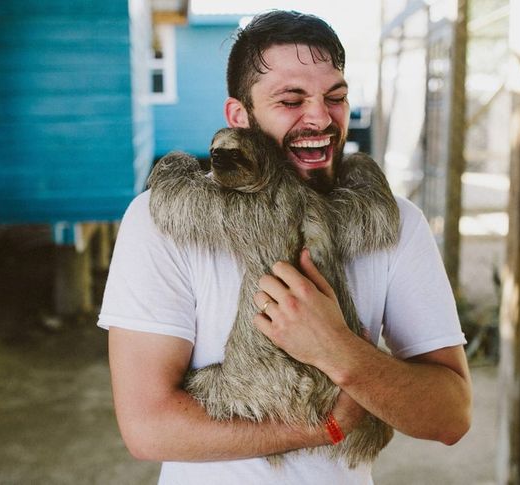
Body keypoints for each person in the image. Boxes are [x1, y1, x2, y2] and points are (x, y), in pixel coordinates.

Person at [98, 10, 471, 485]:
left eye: (335, 97)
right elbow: (147, 429)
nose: (320, 116)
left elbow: (451, 415)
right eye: (290, 100)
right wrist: (325, 426)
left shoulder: (396, 224)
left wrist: (339, 351)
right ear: (239, 116)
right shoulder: (160, 220)